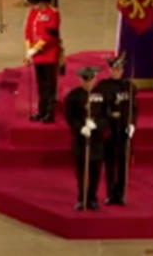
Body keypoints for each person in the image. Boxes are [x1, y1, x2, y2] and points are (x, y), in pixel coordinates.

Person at [95, 53, 137, 206]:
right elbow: (99, 108)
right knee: (110, 163)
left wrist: (132, 124)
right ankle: (111, 193)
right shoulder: (102, 86)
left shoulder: (129, 87)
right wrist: (108, 118)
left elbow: (133, 108)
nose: (117, 71)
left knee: (123, 164)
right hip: (110, 130)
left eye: (120, 69)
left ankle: (121, 194)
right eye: (114, 69)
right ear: (110, 70)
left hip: (124, 130)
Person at [63, 66, 107, 211]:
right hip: (81, 140)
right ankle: (82, 198)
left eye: (91, 80)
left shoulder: (101, 95)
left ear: (95, 79)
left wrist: (97, 125)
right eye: (85, 80)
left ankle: (93, 198)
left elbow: (106, 115)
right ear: (80, 79)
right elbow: (70, 116)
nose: (88, 83)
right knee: (82, 171)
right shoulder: (73, 96)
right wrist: (81, 127)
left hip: (96, 139)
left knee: (95, 170)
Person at [21, 0, 61, 123]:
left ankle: (49, 113)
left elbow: (50, 36)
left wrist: (35, 49)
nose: (35, 6)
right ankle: (41, 110)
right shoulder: (33, 12)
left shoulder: (53, 13)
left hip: (49, 55)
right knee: (40, 85)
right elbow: (28, 31)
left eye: (37, 3)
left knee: (49, 86)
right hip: (37, 55)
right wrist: (28, 49)